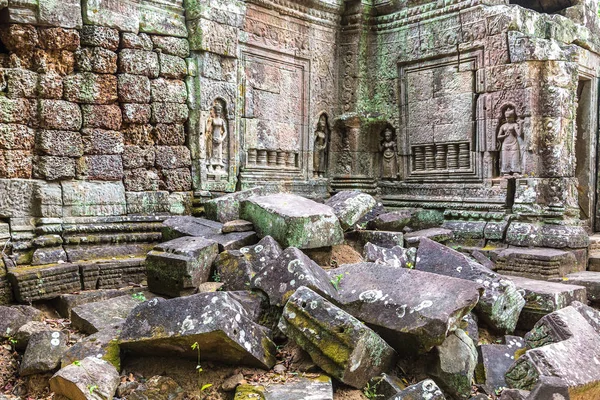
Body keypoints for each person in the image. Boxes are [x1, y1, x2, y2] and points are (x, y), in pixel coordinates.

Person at [497, 106, 524, 176]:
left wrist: (520, 125)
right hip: (505, 144)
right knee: (505, 158)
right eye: (506, 118)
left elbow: (519, 134)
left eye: (509, 117)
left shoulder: (514, 125)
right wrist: (504, 136)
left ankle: (516, 171)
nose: (508, 119)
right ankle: (506, 172)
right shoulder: (503, 126)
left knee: (515, 157)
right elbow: (498, 136)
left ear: (513, 117)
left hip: (514, 143)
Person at [205, 103, 227, 169]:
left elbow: (225, 131)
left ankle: (218, 166)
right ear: (214, 110)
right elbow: (207, 129)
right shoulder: (212, 120)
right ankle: (210, 165)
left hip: (219, 138)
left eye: (219, 110)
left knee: (218, 153)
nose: (218, 111)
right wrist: (206, 120)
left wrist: (222, 139)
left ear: (221, 111)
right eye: (217, 110)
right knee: (212, 152)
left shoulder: (222, 120)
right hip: (212, 137)